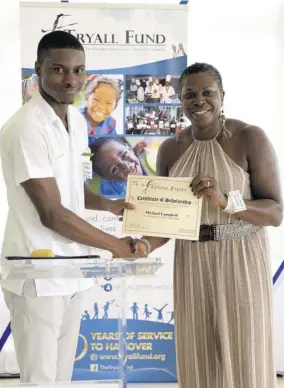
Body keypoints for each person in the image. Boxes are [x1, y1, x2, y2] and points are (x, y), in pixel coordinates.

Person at [0, 31, 144, 384]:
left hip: (74, 268)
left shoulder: (77, 123)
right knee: (40, 379)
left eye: (78, 70)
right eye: (59, 70)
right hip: (36, 273)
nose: (71, 80)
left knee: (62, 376)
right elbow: (51, 211)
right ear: (39, 70)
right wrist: (115, 246)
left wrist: (111, 206)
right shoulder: (26, 127)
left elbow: (73, 190)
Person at [131, 62, 283, 388]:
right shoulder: (171, 149)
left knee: (246, 355)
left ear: (222, 96)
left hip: (241, 256)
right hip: (191, 259)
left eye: (207, 92)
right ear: (180, 99)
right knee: (198, 355)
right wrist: (140, 242)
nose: (199, 101)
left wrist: (227, 201)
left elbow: (274, 212)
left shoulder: (250, 137)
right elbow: (166, 219)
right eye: (190, 94)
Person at [80, 74, 123, 142]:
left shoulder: (110, 124)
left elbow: (113, 144)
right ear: (86, 97)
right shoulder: (74, 117)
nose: (101, 107)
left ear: (115, 106)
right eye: (96, 99)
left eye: (109, 103)